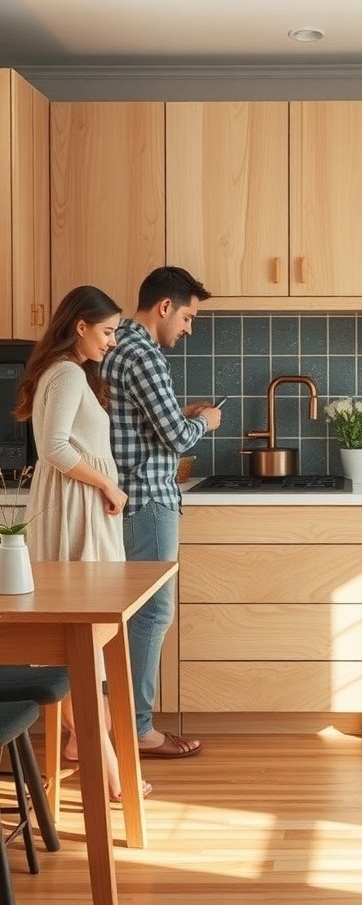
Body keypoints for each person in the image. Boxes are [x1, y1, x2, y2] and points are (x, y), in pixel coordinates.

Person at [14, 285, 151, 801]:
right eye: (108, 331)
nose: (112, 341)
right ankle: (111, 769)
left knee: (82, 641)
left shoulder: (69, 372)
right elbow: (51, 448)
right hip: (76, 510)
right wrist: (110, 485)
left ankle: (81, 745)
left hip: (81, 508)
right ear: (80, 326)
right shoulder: (68, 372)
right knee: (81, 644)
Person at [101, 266, 221, 758]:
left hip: (128, 498)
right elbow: (173, 437)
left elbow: (148, 424)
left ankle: (107, 725)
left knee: (129, 618)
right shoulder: (144, 353)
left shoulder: (115, 347)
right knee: (151, 615)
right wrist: (206, 422)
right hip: (149, 500)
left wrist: (180, 415)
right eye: (189, 316)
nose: (189, 328)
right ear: (165, 307)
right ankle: (139, 729)